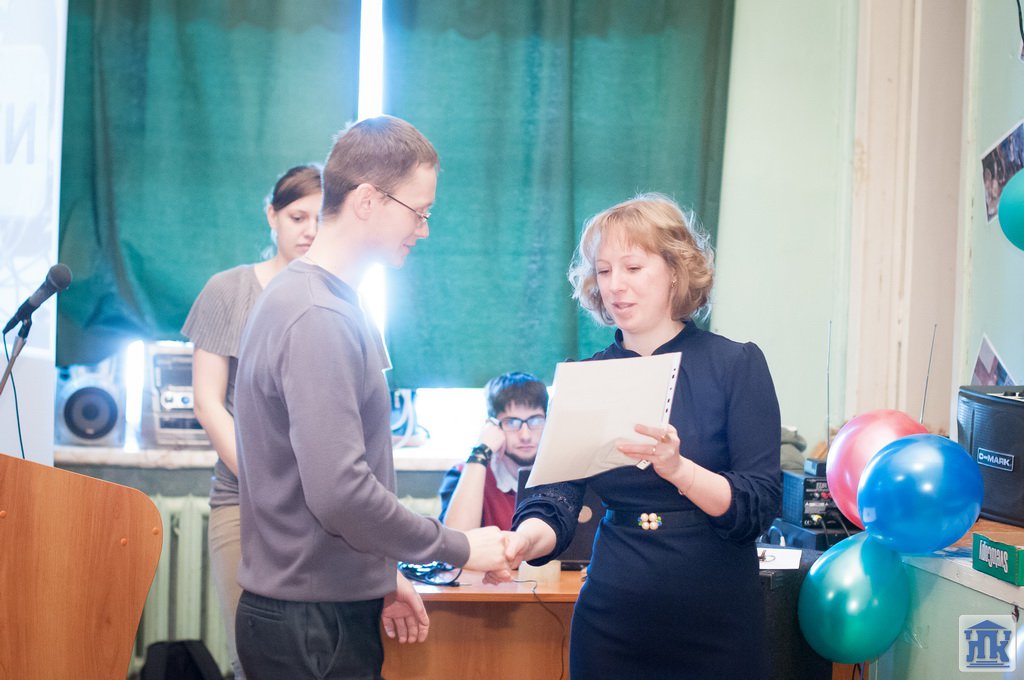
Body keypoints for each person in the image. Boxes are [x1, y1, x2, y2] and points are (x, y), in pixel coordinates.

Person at [232, 116, 509, 680]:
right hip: (312, 627)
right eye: (418, 212)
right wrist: (457, 546)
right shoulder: (318, 314)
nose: (423, 230)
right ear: (366, 200)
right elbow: (340, 494)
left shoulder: (316, 297)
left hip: (319, 609)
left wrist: (380, 575)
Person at [490, 193, 782, 679]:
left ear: (675, 270)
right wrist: (521, 541)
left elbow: (758, 506)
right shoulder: (587, 377)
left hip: (718, 620)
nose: (615, 286)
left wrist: (679, 470)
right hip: (612, 621)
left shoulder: (736, 365)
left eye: (632, 268)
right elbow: (555, 498)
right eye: (604, 271)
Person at [181, 163, 322, 680]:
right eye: (297, 217)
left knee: (318, 656)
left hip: (325, 510)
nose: (310, 231)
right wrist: (269, 484)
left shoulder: (341, 295)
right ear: (272, 216)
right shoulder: (230, 290)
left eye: (321, 219)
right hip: (244, 503)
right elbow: (207, 403)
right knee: (254, 658)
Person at [438, 372, 549, 530]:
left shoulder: (562, 474)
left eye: (536, 420)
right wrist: (481, 451)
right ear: (493, 426)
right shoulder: (463, 473)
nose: (525, 435)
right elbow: (456, 539)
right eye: (511, 422)